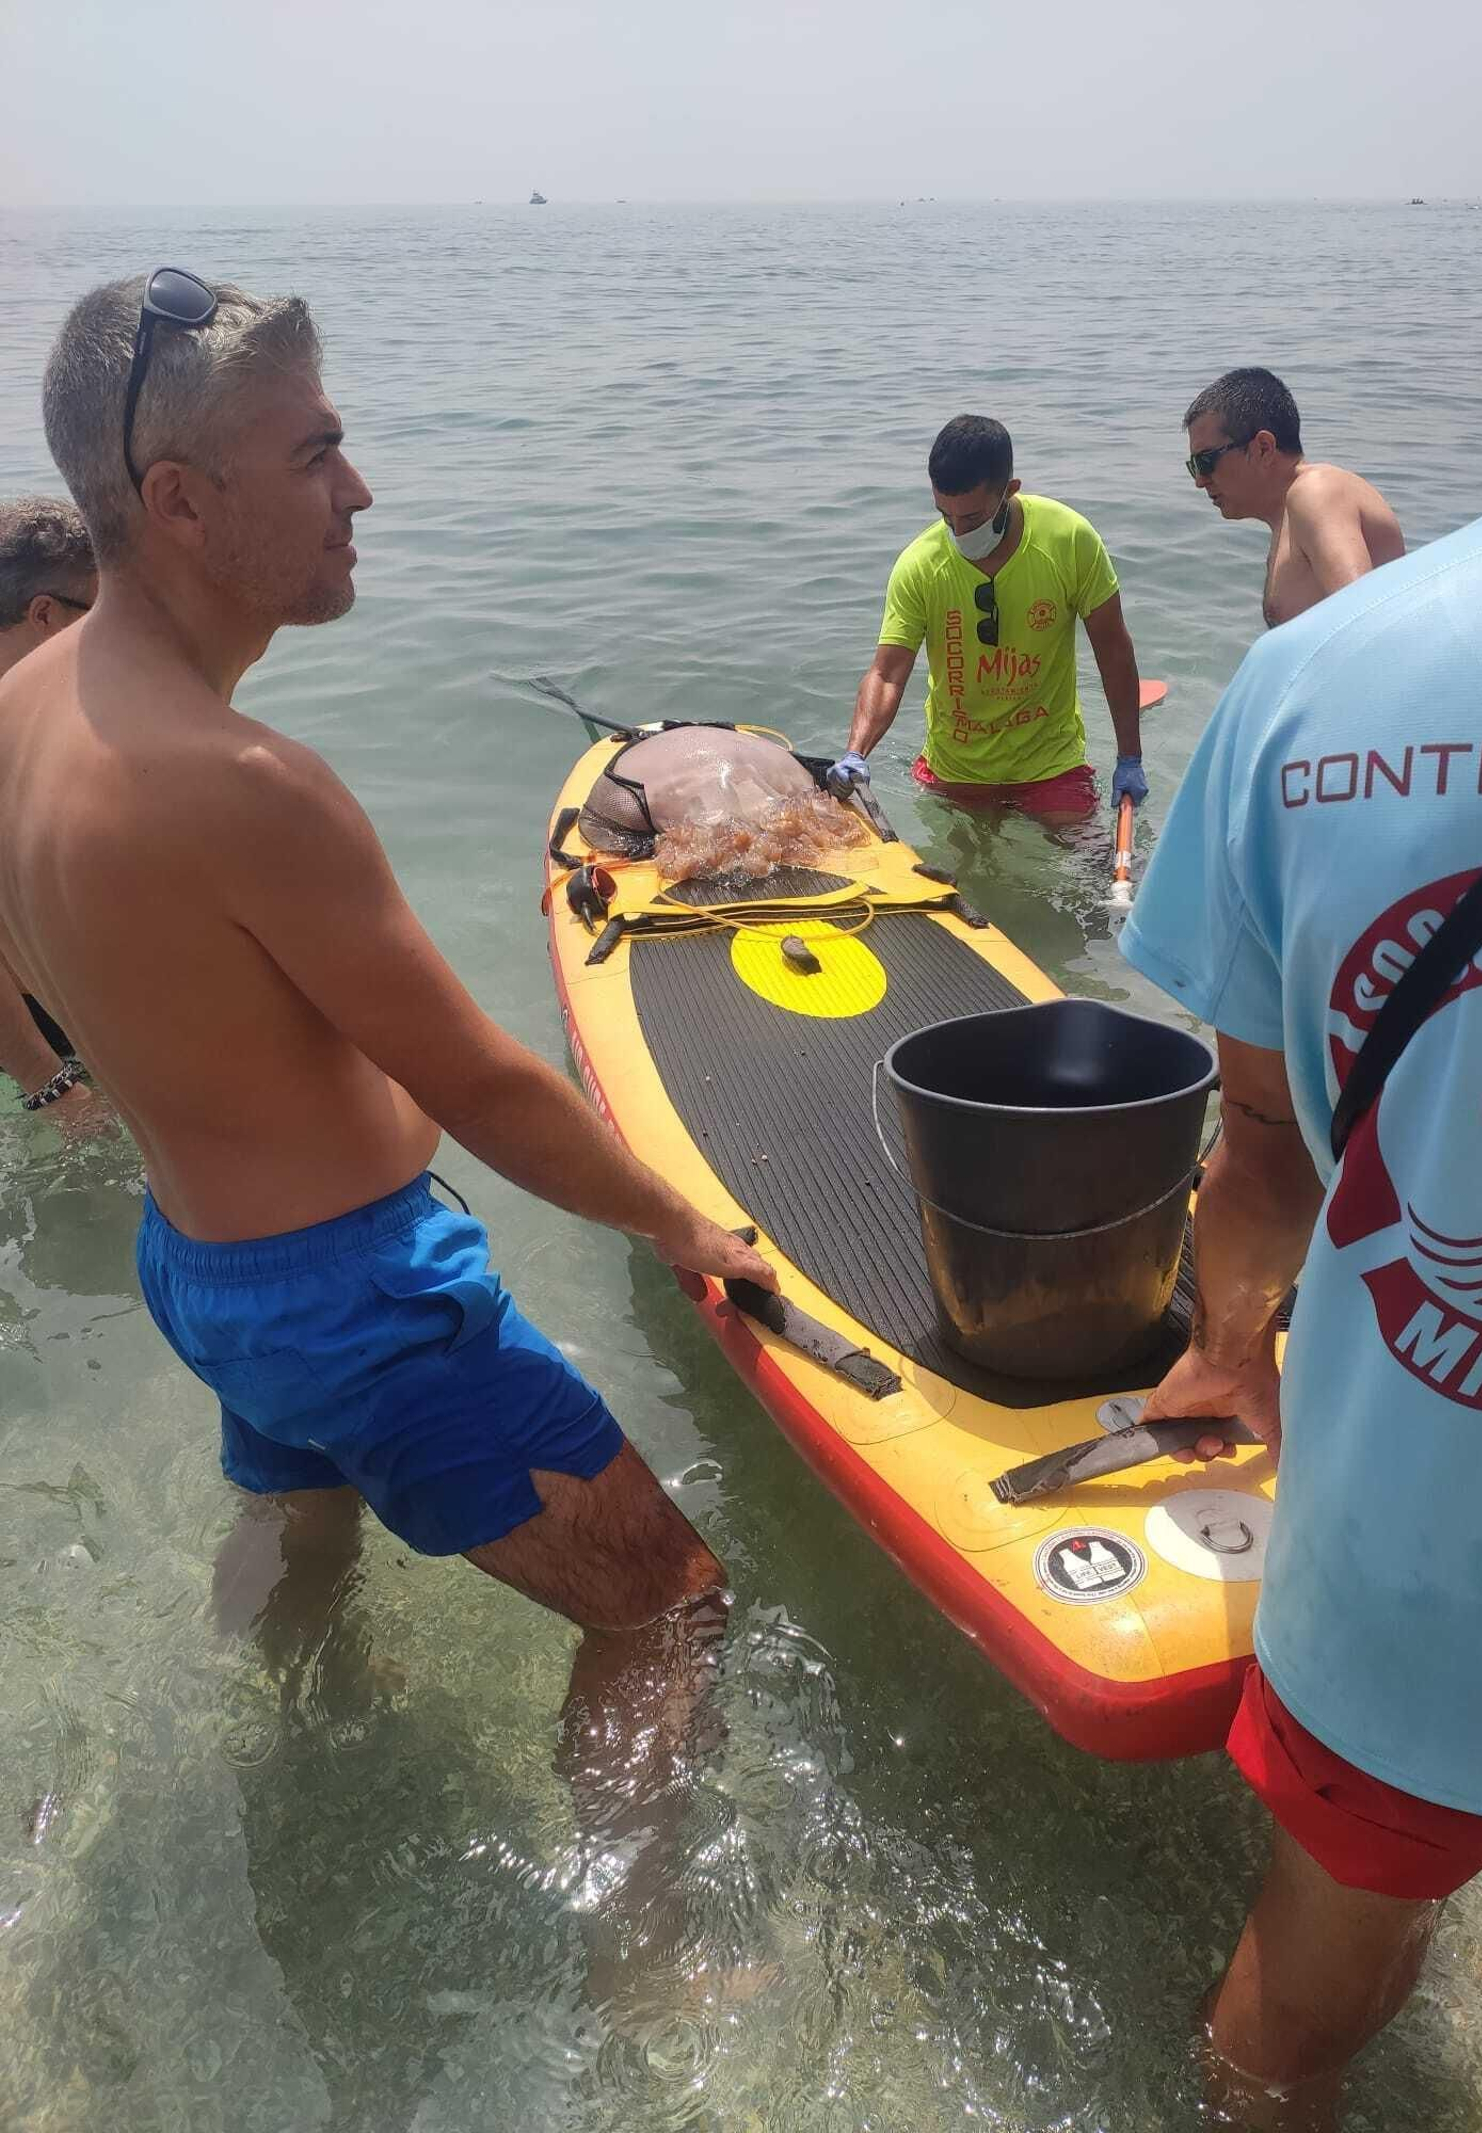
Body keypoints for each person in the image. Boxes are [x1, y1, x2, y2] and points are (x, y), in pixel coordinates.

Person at [0, 269, 777, 1986]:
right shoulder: (239, 783)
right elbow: (488, 1087)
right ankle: (645, 1964)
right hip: (359, 1303)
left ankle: (277, 1737)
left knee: (301, 1523)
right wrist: (683, 1223)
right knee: (667, 1601)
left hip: (200, 1270)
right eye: (319, 449)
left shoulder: (23, 716)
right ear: (183, 500)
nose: (362, 490)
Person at [1119, 140, 1482, 2129]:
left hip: (1439, 1565)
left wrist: (1230, 1344)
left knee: (1288, 2025)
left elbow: (1264, 1152)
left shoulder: (1320, 655)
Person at [835, 415, 1150, 835]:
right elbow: (887, 674)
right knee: (958, 885)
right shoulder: (920, 565)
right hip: (955, 769)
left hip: (1051, 763)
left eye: (973, 519)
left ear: (1010, 491)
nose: (959, 532)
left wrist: (1130, 758)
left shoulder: (1070, 540)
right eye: (946, 517)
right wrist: (856, 753)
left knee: (1088, 873)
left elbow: (1112, 648)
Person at [0, 496, 111, 1134]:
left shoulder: (43, 708)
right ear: (45, 614)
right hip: (45, 1052)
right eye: (100, 613)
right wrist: (54, 1089)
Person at [1183, 368, 1404, 627]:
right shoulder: (1290, 517)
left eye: (1206, 461)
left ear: (1263, 448)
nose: (1200, 480)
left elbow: (1363, 621)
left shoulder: (1316, 491)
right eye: (1193, 466)